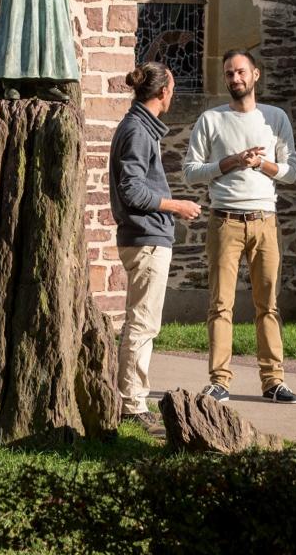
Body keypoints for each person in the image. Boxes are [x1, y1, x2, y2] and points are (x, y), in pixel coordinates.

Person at [183, 48, 296, 403]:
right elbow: (190, 172)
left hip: (264, 222)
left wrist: (261, 164)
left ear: (255, 75)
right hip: (225, 222)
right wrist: (231, 162)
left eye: (240, 72)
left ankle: (273, 381)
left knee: (269, 305)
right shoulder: (211, 119)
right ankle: (220, 381)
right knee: (220, 305)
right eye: (229, 74)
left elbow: (291, 172)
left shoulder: (275, 118)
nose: (235, 79)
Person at [109, 62, 200, 428]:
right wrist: (175, 205)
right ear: (163, 93)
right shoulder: (136, 131)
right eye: (173, 88)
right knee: (142, 324)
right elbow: (131, 189)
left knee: (143, 323)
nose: (173, 95)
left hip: (147, 236)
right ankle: (132, 405)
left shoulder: (141, 127)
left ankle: (132, 399)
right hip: (145, 238)